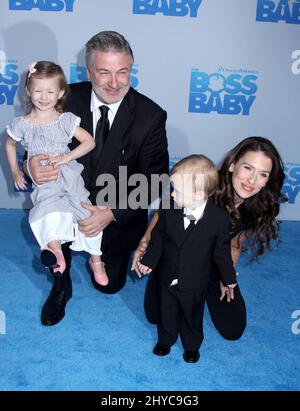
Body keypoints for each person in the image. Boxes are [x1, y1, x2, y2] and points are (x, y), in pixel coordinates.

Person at [25, 32, 169, 326]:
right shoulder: (61, 100)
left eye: (123, 72)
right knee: (54, 240)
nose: (114, 83)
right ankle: (61, 286)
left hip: (115, 212)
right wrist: (30, 166)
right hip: (64, 199)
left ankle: (99, 258)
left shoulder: (150, 115)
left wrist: (111, 213)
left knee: (109, 286)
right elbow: (33, 140)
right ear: (88, 72)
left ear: (131, 69)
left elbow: (156, 178)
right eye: (104, 72)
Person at [132, 136, 286, 341]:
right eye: (248, 168)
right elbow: (165, 214)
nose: (252, 180)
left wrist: (225, 275)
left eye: (262, 174)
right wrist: (145, 244)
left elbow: (234, 245)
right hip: (176, 257)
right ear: (232, 165)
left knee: (233, 329)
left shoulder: (259, 207)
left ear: (268, 179)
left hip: (211, 262)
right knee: (155, 316)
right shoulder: (204, 184)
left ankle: (196, 293)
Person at [6, 60, 109, 288]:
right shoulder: (23, 124)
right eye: (38, 90)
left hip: (70, 176)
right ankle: (56, 254)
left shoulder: (65, 120)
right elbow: (10, 143)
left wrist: (66, 158)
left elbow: (89, 142)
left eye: (50, 91)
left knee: (87, 213)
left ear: (60, 92)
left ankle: (96, 260)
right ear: (28, 91)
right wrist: (15, 170)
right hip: (47, 181)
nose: (44, 97)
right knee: (48, 211)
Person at [137, 155, 237, 363]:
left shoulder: (218, 219)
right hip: (167, 274)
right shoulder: (169, 208)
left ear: (199, 194)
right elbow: (158, 239)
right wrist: (149, 261)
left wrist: (228, 278)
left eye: (178, 191)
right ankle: (166, 339)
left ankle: (192, 345)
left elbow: (221, 252)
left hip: (195, 279)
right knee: (167, 310)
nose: (172, 194)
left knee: (192, 314)